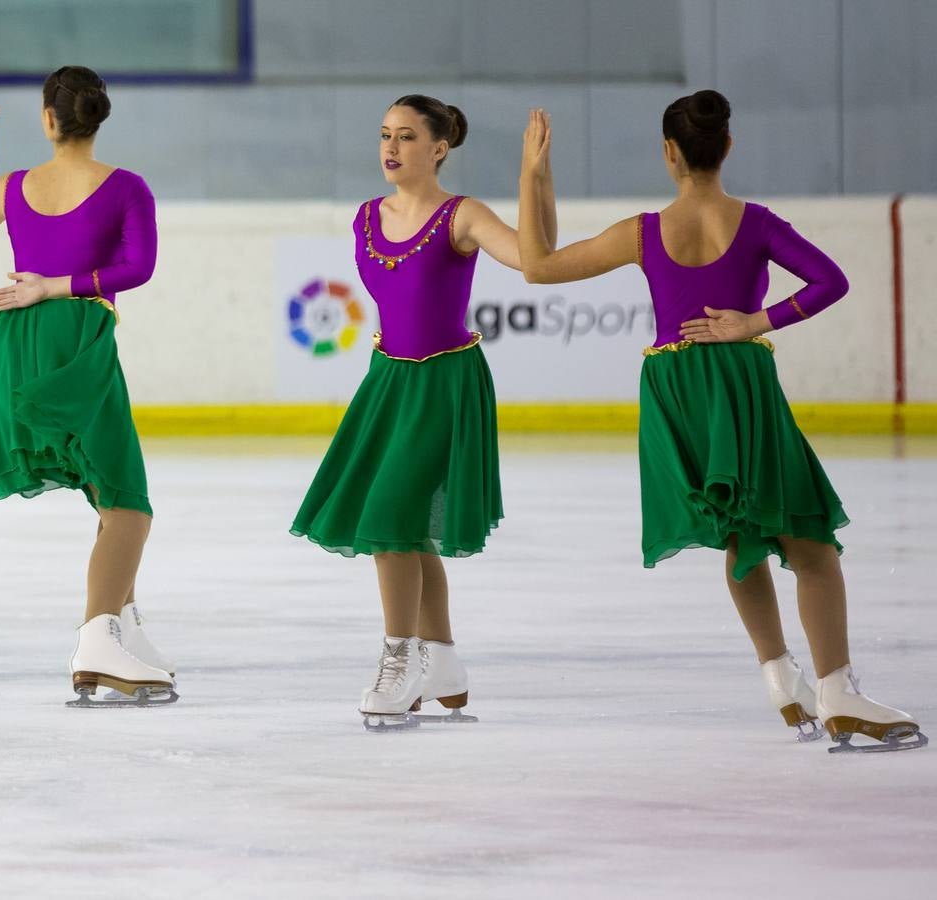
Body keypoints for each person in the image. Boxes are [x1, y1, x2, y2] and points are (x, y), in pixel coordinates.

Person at [515, 90, 924, 753]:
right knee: (810, 541)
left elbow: (536, 266)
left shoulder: (643, 233)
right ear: (726, 146)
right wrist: (756, 322)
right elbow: (831, 282)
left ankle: (780, 677)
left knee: (740, 528)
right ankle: (837, 690)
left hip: (675, 388)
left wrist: (534, 175)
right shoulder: (756, 222)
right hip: (737, 378)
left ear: (668, 153)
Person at [290, 96, 557, 732]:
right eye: (385, 135)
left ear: (439, 148)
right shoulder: (365, 217)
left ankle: (398, 658)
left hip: (446, 384)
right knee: (408, 528)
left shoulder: (460, 216)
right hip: (388, 381)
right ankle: (442, 663)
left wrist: (533, 178)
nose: (391, 147)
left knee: (387, 520)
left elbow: (534, 259)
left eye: (407, 137)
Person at [0, 67, 176, 707]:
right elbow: (139, 268)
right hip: (74, 342)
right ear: (98, 116)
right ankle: (98, 640)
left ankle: (124, 628)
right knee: (128, 499)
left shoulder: (19, 186)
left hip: (13, 345)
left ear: (48, 120)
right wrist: (56, 284)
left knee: (104, 488)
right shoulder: (125, 186)